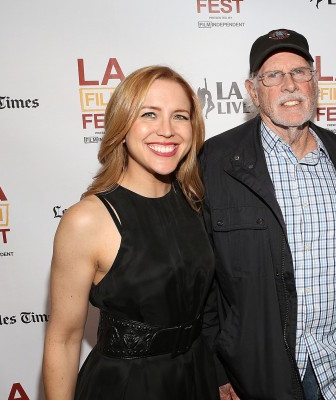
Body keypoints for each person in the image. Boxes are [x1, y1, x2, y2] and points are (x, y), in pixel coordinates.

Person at [200, 28, 336, 400]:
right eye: (273, 75)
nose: (289, 84)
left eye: (299, 72)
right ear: (253, 92)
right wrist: (217, 370)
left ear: (314, 83)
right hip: (260, 374)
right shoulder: (217, 162)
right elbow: (201, 282)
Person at [42, 66, 218, 400]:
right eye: (149, 114)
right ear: (122, 125)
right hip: (127, 386)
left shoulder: (195, 201)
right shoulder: (87, 220)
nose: (166, 130)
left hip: (197, 376)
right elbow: (63, 339)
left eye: (179, 116)